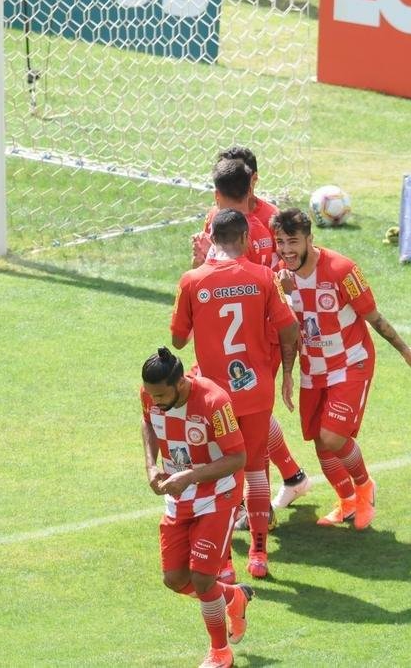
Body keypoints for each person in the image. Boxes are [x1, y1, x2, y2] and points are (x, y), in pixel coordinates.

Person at [270, 209, 411, 530]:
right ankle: (346, 502)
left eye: (293, 242)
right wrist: (287, 374)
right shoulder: (281, 278)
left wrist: (405, 350)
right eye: (280, 242)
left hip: (350, 363)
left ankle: (365, 486)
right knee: (319, 440)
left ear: (310, 240)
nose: (286, 250)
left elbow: (374, 317)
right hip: (313, 368)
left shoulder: (343, 271)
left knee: (333, 436)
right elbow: (289, 332)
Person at [172, 209, 299, 578]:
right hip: (256, 391)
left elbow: (178, 340)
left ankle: (224, 560)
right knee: (256, 469)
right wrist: (287, 372)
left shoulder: (192, 281)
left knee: (221, 475)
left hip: (215, 398)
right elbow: (288, 329)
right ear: (244, 239)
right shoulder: (263, 277)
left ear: (211, 239)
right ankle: (259, 555)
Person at [192, 150, 313, 517]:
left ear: (251, 183)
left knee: (245, 413)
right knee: (243, 412)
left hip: (262, 337)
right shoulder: (219, 218)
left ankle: (250, 506)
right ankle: (291, 478)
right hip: (225, 336)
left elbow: (285, 276)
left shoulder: (270, 223)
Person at [141, 347, 255, 668]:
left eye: (160, 395)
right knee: (174, 579)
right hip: (179, 497)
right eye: (150, 395)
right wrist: (151, 466)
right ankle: (234, 597)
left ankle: (220, 652)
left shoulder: (214, 403)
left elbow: (237, 458)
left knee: (202, 579)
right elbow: (147, 423)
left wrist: (190, 475)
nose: (155, 401)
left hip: (217, 495)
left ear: (180, 383)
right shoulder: (152, 396)